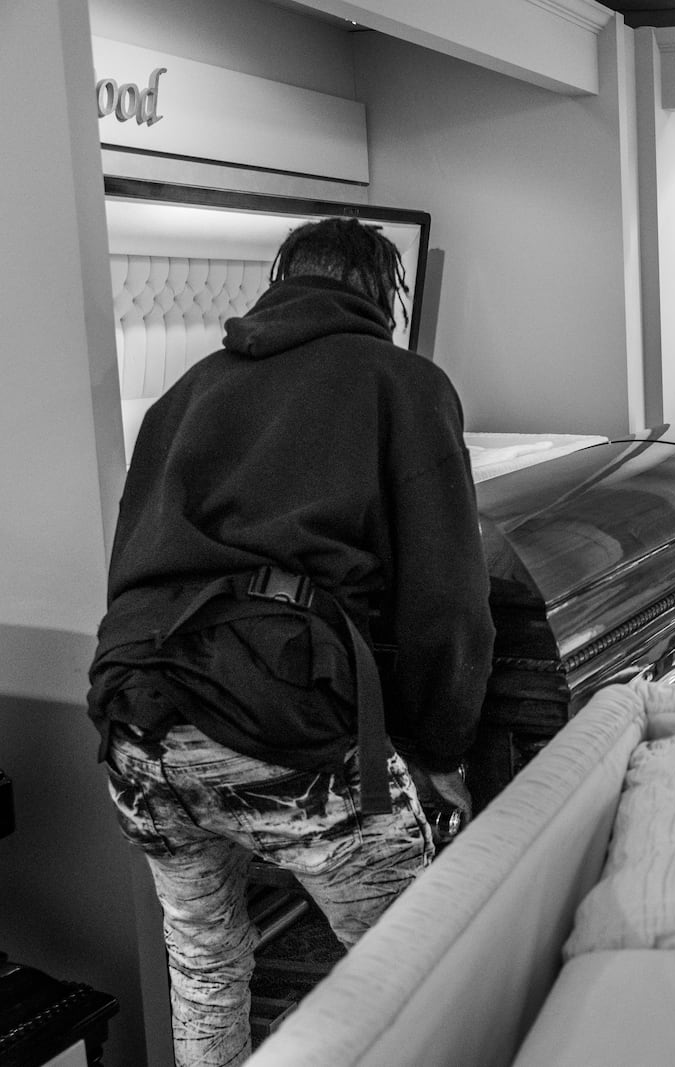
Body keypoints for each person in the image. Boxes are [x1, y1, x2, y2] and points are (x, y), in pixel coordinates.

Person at [86, 217, 495, 1067]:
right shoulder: (403, 381)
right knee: (416, 971)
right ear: (386, 294)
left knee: (204, 957)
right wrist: (442, 745)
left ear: (280, 279)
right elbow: (446, 600)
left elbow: (132, 563)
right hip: (283, 713)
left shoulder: (185, 391)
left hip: (135, 718)